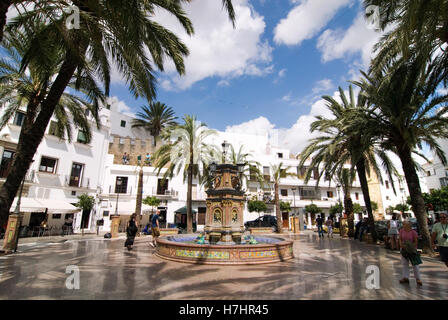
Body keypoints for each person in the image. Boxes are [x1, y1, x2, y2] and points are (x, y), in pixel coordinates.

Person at [399, 220, 422, 286]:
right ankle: (405, 277)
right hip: (404, 249)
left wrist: (412, 247)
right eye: (403, 224)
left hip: (412, 250)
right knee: (404, 263)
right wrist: (401, 245)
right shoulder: (401, 231)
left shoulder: (413, 232)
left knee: (415, 264)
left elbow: (416, 241)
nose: (403, 225)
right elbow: (400, 239)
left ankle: (418, 278)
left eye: (404, 224)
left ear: (409, 225)